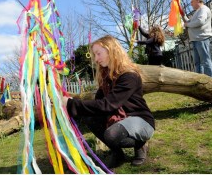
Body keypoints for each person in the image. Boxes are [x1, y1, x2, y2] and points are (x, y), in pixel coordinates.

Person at [62, 35, 155, 168]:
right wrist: (72, 102)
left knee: (112, 135)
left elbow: (108, 105)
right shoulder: (107, 76)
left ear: (111, 51)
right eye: (95, 55)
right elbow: (98, 103)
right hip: (121, 119)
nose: (96, 59)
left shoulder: (129, 76)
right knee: (90, 117)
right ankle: (118, 154)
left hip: (140, 120)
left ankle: (140, 144)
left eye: (98, 53)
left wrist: (71, 104)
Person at [183, 0, 212, 78]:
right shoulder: (198, 11)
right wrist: (183, 15)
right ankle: (199, 81)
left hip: (202, 39)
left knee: (205, 61)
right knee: (198, 62)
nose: (191, 4)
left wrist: (187, 25)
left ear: (198, 0)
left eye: (192, 2)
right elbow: (190, 22)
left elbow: (200, 21)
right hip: (196, 39)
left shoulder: (203, 9)